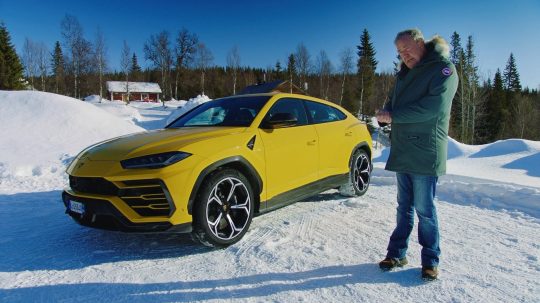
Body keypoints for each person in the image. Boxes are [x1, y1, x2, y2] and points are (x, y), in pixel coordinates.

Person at [376, 28, 458, 281]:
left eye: (407, 49)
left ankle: (431, 260)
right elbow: (393, 101)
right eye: (400, 52)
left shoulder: (443, 70)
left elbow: (433, 108)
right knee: (404, 208)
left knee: (425, 209)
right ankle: (397, 253)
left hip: (425, 151)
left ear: (421, 43)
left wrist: (395, 116)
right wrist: (385, 114)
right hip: (404, 149)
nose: (404, 55)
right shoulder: (404, 73)